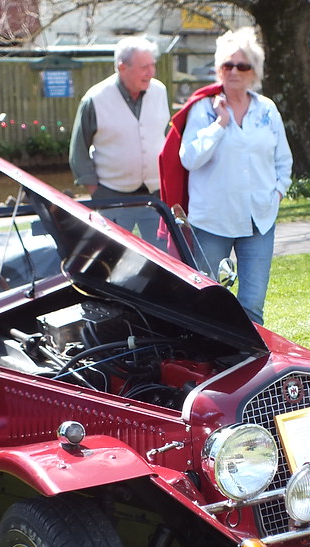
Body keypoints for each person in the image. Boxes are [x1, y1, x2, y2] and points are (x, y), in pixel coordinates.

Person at [179, 27, 293, 325]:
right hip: (212, 221)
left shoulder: (267, 109)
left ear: (253, 71)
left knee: (252, 304)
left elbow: (284, 160)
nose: (234, 71)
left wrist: (278, 192)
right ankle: (208, 363)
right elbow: (189, 158)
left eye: (242, 66)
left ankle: (250, 366)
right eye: (227, 65)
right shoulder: (204, 108)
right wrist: (219, 125)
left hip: (259, 219)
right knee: (204, 301)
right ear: (219, 69)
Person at [69, 36, 170, 244]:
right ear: (122, 67)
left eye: (153, 65)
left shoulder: (160, 91)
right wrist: (96, 192)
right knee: (111, 258)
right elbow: (78, 151)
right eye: (144, 67)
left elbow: (165, 137)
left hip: (156, 195)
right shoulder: (95, 99)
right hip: (112, 196)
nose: (151, 72)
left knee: (165, 260)